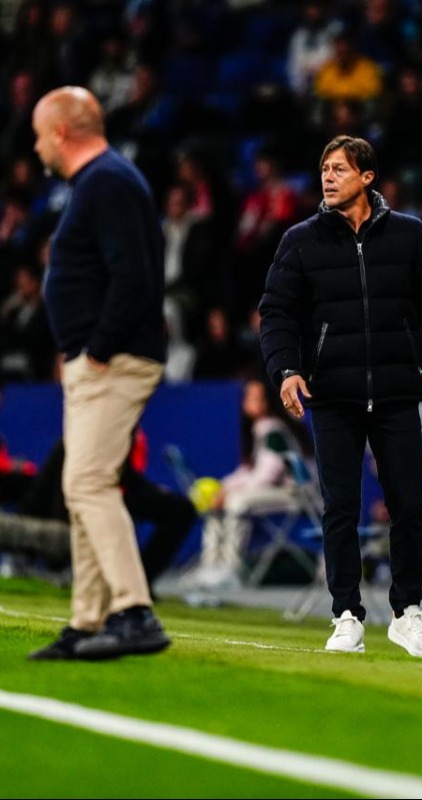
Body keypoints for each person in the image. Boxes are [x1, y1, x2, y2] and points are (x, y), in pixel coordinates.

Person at [259, 135, 422, 657]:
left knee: (407, 504)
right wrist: (286, 369)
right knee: (341, 508)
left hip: (397, 391)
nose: (328, 178)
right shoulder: (300, 240)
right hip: (332, 393)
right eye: (324, 169)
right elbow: (276, 312)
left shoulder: (411, 236)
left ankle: (407, 611)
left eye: (339, 169)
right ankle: (346, 614)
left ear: (367, 178)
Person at [28, 86, 169, 661]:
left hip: (112, 358)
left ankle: (134, 612)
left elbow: (133, 277)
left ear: (60, 132)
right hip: (98, 358)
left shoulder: (107, 181)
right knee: (83, 484)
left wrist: (96, 350)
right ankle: (88, 622)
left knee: (85, 483)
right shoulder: (103, 181)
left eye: (39, 133)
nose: (36, 146)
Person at [16, 430, 197, 598]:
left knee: (181, 510)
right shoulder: (92, 429)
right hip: (83, 502)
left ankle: (138, 583)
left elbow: (124, 477)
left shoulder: (131, 431)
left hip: (113, 497)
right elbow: (112, 472)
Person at [180, 378, 315, 595]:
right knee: (221, 500)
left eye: (256, 398)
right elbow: (249, 471)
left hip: (295, 493)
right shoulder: (259, 429)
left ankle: (229, 569)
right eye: (248, 397)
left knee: (237, 501)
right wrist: (222, 489)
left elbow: (268, 474)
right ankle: (211, 564)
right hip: (275, 490)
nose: (250, 402)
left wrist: (230, 493)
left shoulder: (274, 430)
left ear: (268, 401)